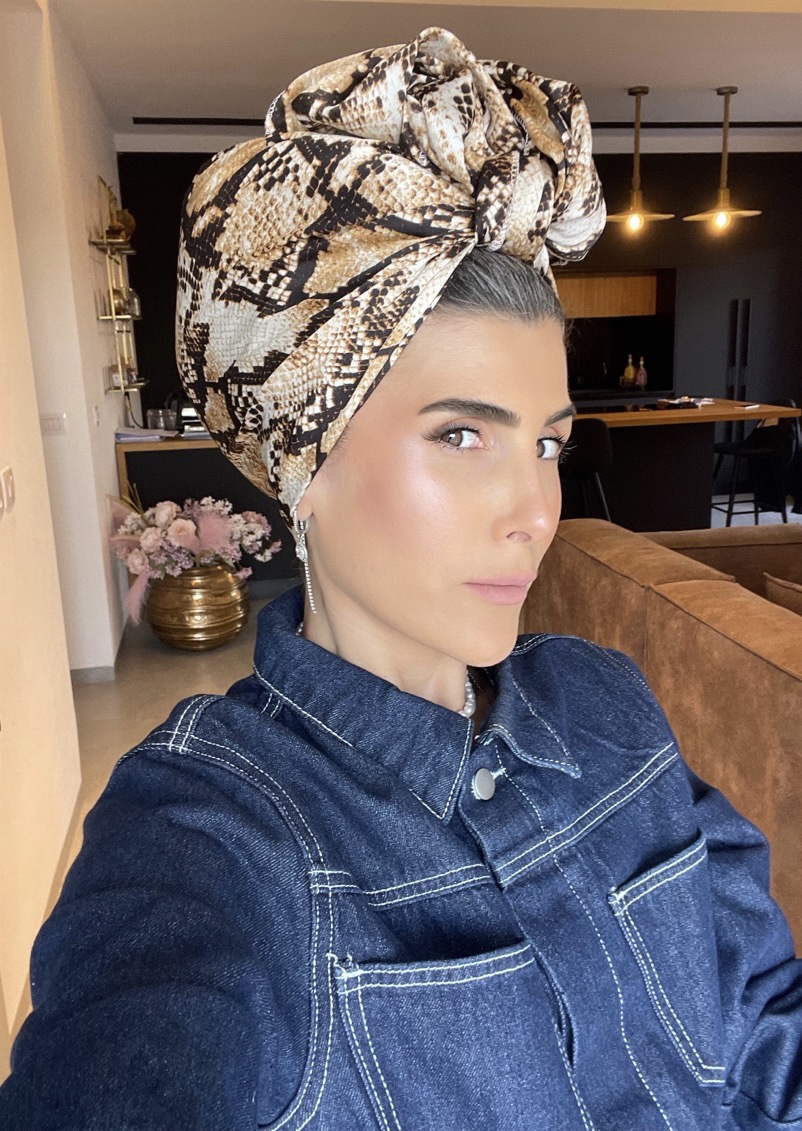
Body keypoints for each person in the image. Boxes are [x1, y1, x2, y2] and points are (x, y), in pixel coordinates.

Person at [1, 26, 800, 1131]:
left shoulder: (608, 702)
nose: (535, 511)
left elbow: (761, 1015)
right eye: (461, 435)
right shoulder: (206, 842)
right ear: (302, 465)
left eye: (547, 443)